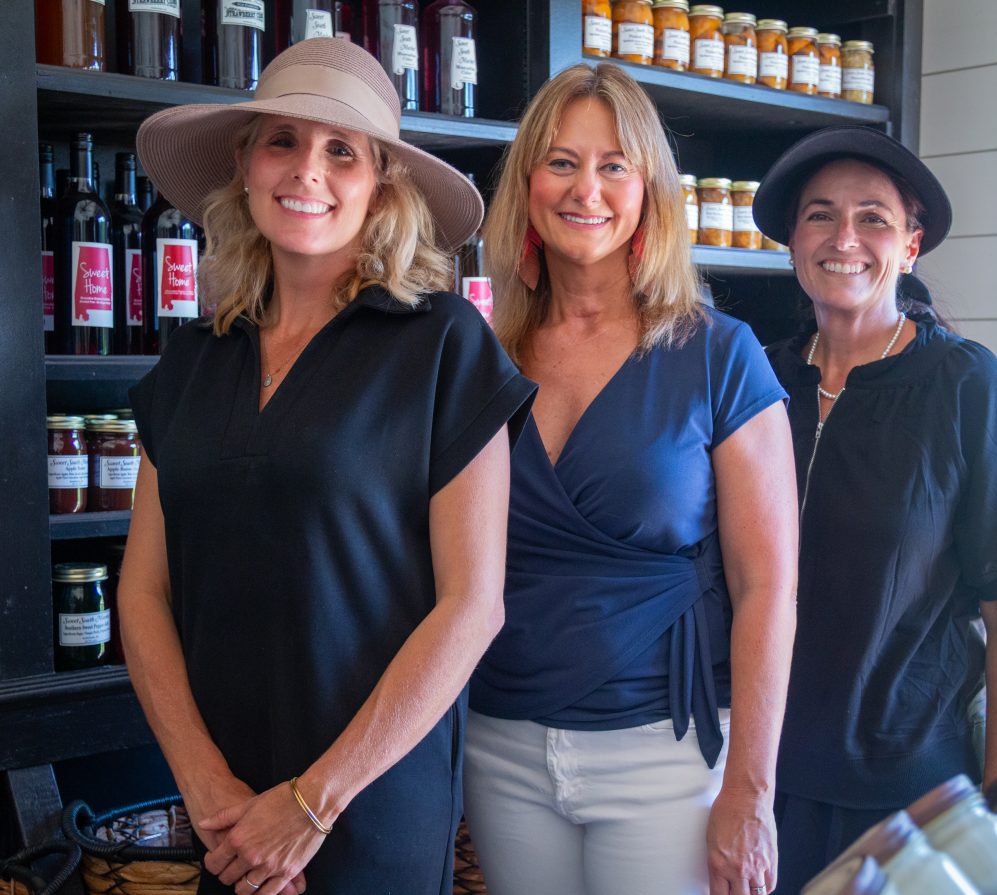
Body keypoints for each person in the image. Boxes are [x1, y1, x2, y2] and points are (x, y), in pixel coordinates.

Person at [119, 38, 536, 895]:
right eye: (282, 141)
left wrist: (311, 802)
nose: (307, 170)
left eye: (340, 150)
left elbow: (473, 604)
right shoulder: (193, 357)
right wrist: (206, 787)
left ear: (382, 182)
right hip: (225, 814)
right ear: (242, 164)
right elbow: (142, 590)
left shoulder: (442, 345)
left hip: (369, 804)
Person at [462, 62, 800, 895]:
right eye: (563, 161)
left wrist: (751, 792)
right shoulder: (480, 358)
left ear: (649, 188)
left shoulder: (721, 353)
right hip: (502, 743)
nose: (588, 188)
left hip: (670, 752)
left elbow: (770, 588)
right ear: (529, 185)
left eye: (615, 164)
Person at [751, 125, 997, 892]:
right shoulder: (759, 383)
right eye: (821, 214)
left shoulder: (964, 385)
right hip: (760, 772)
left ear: (911, 244)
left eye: (873, 218)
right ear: (794, 240)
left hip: (913, 792)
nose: (844, 237)